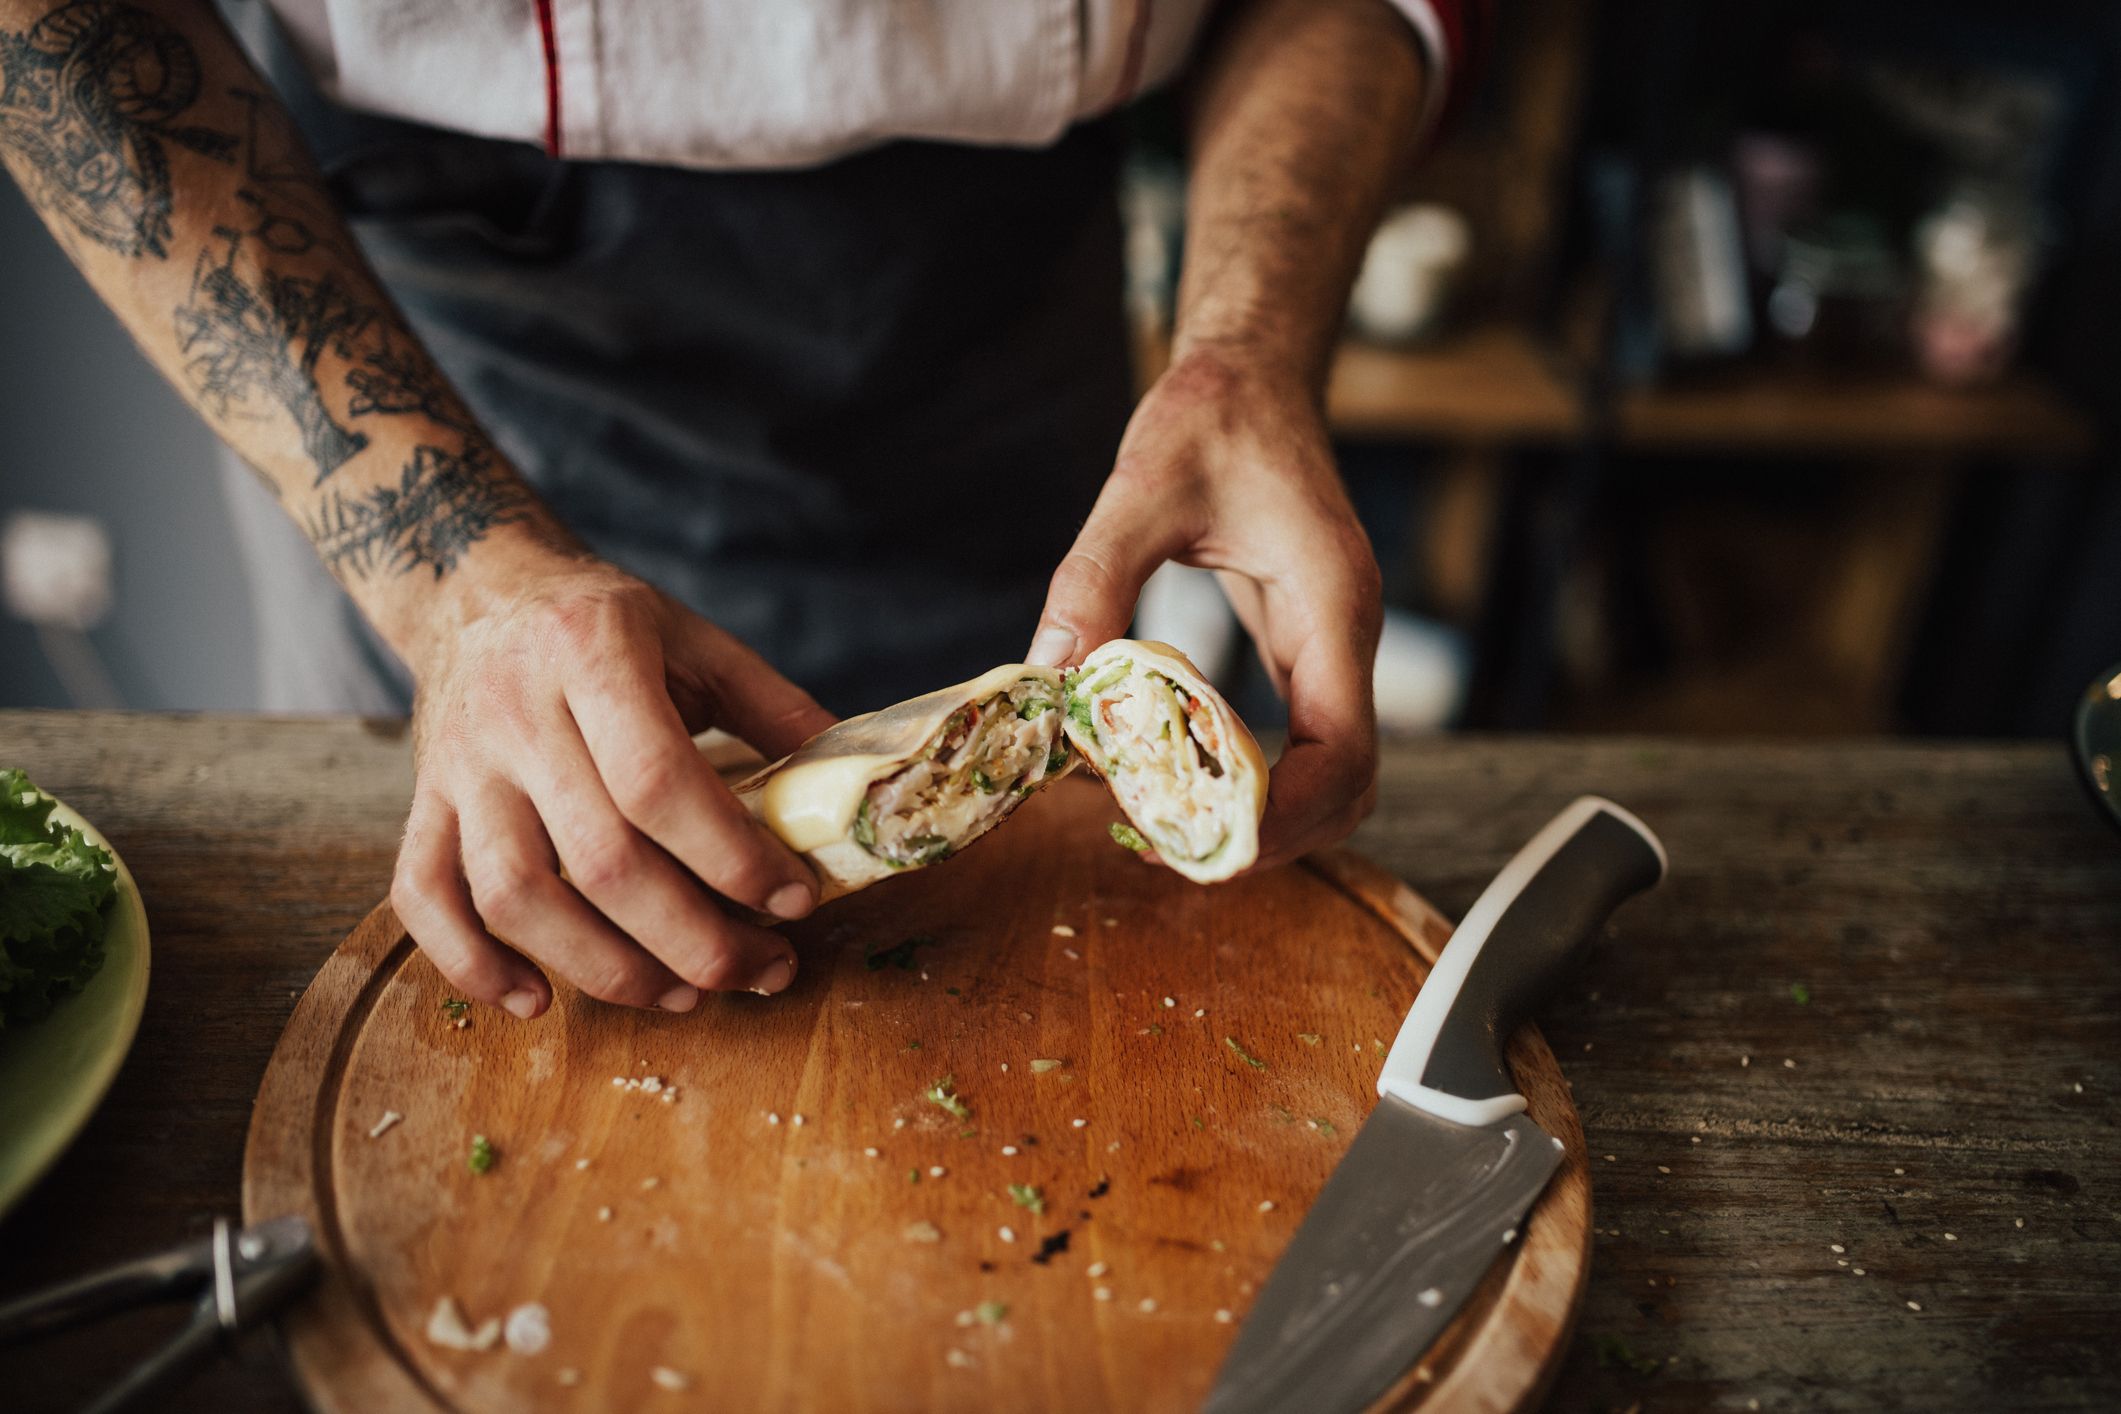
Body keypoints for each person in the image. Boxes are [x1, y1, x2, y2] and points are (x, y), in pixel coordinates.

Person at [0, 0, 1482, 1016]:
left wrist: (1240, 346)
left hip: (991, 335)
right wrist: (455, 577)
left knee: (982, 945)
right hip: (415, 360)